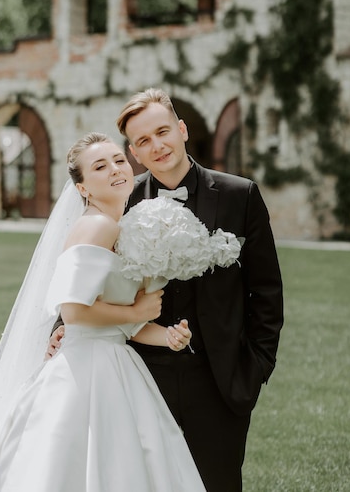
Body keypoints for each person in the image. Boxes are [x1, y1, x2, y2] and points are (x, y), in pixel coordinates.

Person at [48, 89, 284, 491]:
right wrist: (61, 325)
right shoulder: (119, 196)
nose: (156, 146)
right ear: (134, 152)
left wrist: (256, 365)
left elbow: (266, 291)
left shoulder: (238, 195)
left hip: (218, 379)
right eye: (142, 141)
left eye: (162, 132)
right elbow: (88, 268)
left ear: (182, 129)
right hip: (138, 374)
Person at [0, 132, 207, 492]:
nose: (116, 169)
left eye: (119, 161)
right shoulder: (95, 226)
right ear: (83, 188)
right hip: (84, 371)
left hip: (116, 361)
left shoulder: (121, 228)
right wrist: (137, 309)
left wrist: (167, 336)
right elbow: (73, 312)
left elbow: (127, 326)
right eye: (100, 167)